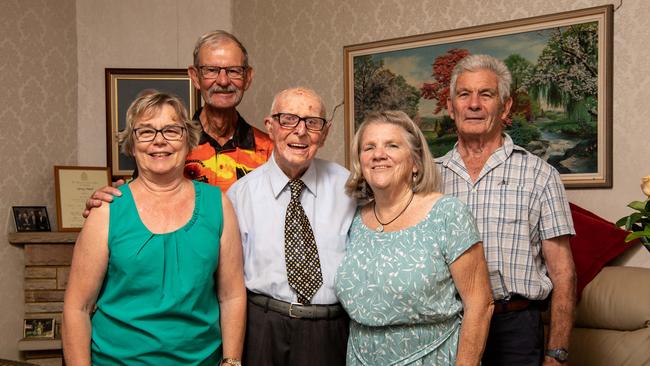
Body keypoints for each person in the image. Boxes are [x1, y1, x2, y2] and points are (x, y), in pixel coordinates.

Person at [62, 92, 246, 366]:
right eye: (146, 132)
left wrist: (231, 362)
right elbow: (78, 308)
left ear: (188, 139)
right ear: (132, 146)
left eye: (171, 130)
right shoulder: (106, 210)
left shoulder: (217, 204)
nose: (159, 140)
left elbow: (231, 296)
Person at [438, 54, 576, 365]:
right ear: (450, 107)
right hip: (445, 327)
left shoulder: (541, 176)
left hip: (514, 330)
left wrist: (557, 353)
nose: (474, 104)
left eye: (485, 94)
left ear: (506, 106)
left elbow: (563, 273)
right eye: (464, 94)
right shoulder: (427, 177)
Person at [335, 110, 494, 365]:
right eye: (369, 147)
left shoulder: (447, 214)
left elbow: (480, 304)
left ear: (416, 162)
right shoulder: (352, 220)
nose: (378, 154)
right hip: (359, 358)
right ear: (360, 162)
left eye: (392, 145)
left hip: (432, 357)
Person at [227, 87, 356, 365]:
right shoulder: (240, 195)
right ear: (270, 127)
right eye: (288, 119)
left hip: (330, 330)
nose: (300, 131)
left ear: (325, 133)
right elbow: (228, 283)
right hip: (263, 328)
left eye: (312, 122)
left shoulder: (348, 188)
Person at [84, 30, 273, 215]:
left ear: (247, 77)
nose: (223, 81)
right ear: (194, 77)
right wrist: (111, 201)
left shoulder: (270, 152)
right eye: (211, 70)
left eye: (234, 71)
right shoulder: (170, 145)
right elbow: (141, 201)